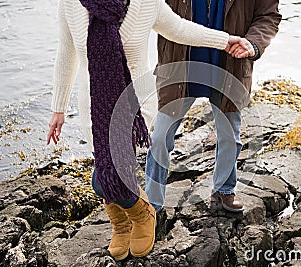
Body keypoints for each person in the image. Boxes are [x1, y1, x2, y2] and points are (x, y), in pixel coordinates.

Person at [46, 0, 248, 261]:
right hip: (92, 105)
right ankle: (122, 224)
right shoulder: (70, 3)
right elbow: (66, 51)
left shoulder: (145, 2)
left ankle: (142, 214)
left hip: (135, 102)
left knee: (109, 174)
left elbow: (179, 29)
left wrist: (225, 40)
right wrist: (58, 108)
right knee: (105, 171)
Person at [145, 0, 282, 212]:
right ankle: (152, 205)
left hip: (229, 66)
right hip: (178, 66)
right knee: (159, 137)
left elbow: (268, 17)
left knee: (230, 137)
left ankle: (224, 190)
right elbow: (147, 9)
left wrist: (253, 43)